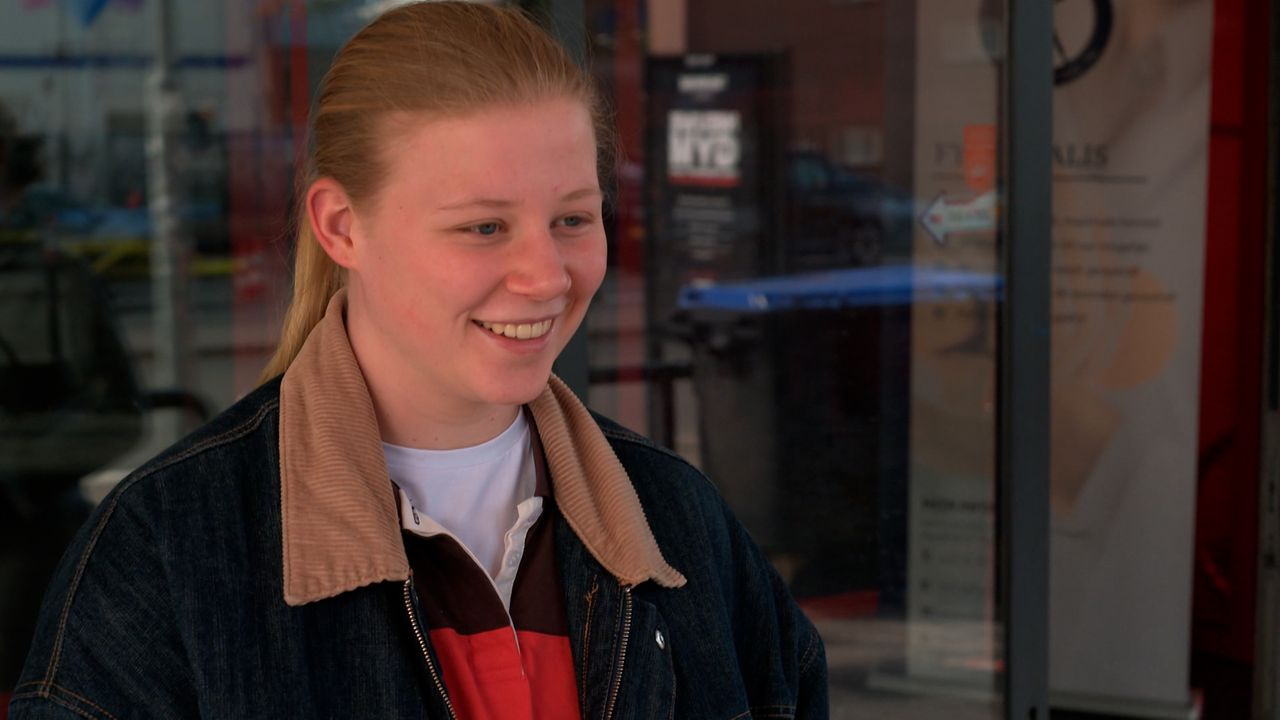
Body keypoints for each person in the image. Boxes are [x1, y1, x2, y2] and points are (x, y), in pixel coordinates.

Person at [9, 3, 827, 718]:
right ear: (340, 226)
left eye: (574, 219)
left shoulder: (681, 522)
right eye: (484, 227)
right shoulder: (170, 549)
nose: (546, 275)